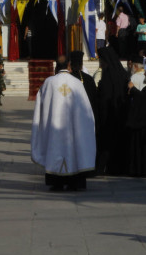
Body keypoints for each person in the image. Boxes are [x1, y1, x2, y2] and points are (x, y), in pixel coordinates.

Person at [32, 56, 96, 191]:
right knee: (74, 150)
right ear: (69, 65)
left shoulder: (49, 83)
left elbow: (40, 107)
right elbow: (86, 109)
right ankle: (74, 183)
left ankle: (57, 183)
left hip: (54, 128)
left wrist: (42, 123)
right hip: (74, 128)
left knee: (55, 150)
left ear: (56, 66)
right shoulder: (77, 83)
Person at [94, 45, 129, 175]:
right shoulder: (121, 73)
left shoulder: (108, 75)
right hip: (120, 114)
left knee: (106, 142)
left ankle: (101, 167)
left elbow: (105, 99)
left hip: (109, 115)